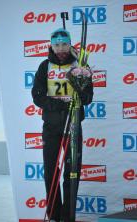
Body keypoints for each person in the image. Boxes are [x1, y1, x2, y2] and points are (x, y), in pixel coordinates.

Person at [31, 28, 93, 222]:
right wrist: (60, 104)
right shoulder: (44, 66)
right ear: (51, 45)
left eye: (64, 44)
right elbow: (38, 96)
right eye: (56, 45)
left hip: (74, 125)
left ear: (69, 44)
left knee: (72, 173)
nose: (60, 49)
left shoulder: (80, 64)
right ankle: (55, 216)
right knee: (51, 172)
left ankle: (68, 217)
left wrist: (80, 88)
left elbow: (88, 97)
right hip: (51, 126)